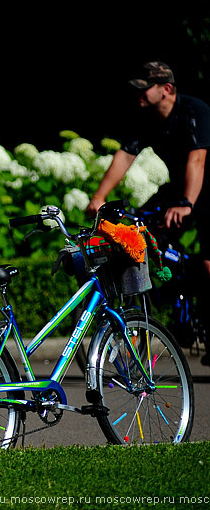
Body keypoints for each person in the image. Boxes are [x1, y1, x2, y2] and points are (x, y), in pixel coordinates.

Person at [86, 61, 210, 360]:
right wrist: (99, 197)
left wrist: (186, 203)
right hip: (180, 188)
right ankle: (171, 294)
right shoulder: (146, 118)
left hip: (203, 187)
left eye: (145, 88)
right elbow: (124, 156)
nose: (138, 94)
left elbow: (197, 160)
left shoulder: (195, 110)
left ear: (166, 89)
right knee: (136, 228)